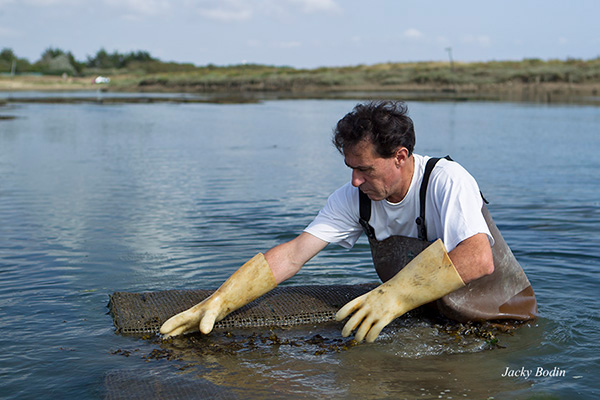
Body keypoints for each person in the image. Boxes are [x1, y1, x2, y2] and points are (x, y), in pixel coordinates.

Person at [160, 100, 537, 343]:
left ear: (401, 156)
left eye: (365, 169)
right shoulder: (354, 197)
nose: (355, 180)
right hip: (439, 321)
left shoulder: (447, 179)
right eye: (350, 168)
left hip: (504, 325)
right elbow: (293, 255)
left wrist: (394, 295)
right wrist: (222, 300)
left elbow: (477, 258)